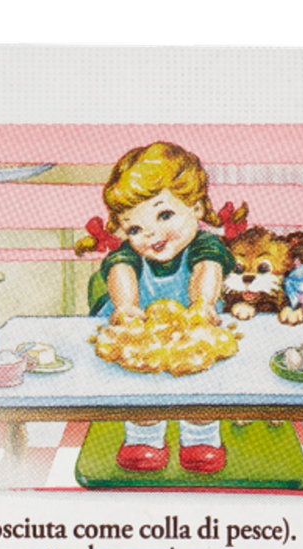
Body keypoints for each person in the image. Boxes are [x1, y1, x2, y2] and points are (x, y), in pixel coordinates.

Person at [77, 142, 237, 474]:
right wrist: (126, 306)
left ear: (195, 207)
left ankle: (201, 436)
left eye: (164, 215)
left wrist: (203, 303)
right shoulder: (130, 254)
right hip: (142, 330)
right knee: (141, 386)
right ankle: (144, 436)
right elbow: (120, 270)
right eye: (135, 228)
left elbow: (207, 269)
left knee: (202, 381)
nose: (151, 234)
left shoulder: (204, 245)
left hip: (193, 327)